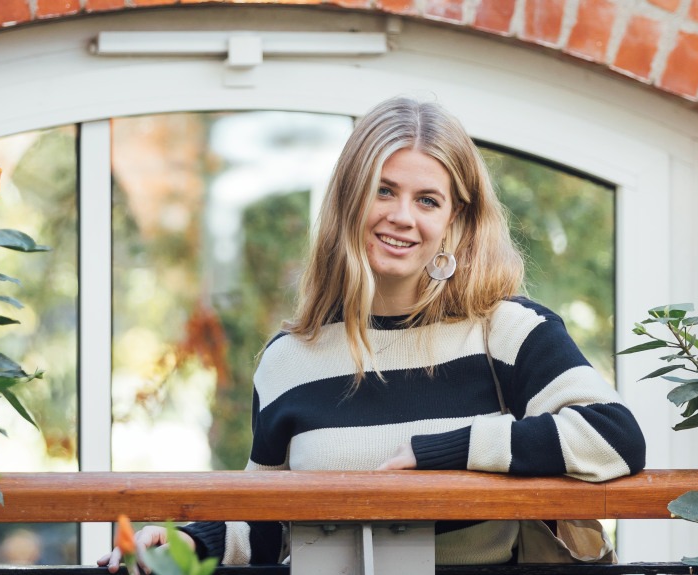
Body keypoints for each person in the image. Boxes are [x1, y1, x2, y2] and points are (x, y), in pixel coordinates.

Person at [98, 96, 646, 571]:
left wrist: (446, 453)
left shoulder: (507, 332)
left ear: (455, 220)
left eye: (427, 200)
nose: (402, 216)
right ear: (348, 202)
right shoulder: (289, 361)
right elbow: (268, 523)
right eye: (383, 191)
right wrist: (183, 543)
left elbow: (614, 436)